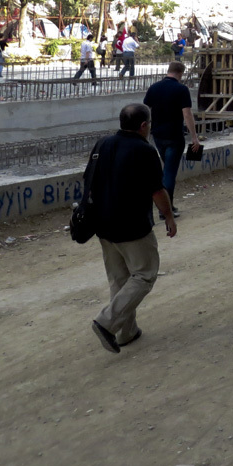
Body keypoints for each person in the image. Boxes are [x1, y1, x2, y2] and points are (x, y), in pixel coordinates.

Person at [85, 103, 177, 353]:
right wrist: (168, 216)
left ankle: (126, 332)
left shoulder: (102, 144)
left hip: (103, 226)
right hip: (133, 227)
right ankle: (106, 322)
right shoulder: (144, 150)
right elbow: (157, 190)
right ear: (144, 125)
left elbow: (89, 181)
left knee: (119, 279)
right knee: (144, 275)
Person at [143, 61, 200, 218]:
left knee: (166, 169)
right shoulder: (181, 89)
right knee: (169, 172)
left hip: (157, 136)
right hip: (174, 136)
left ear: (169, 71)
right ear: (180, 74)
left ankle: (166, 206)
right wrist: (194, 137)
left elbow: (145, 110)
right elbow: (187, 114)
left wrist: (145, 134)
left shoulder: (154, 87)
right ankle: (165, 210)